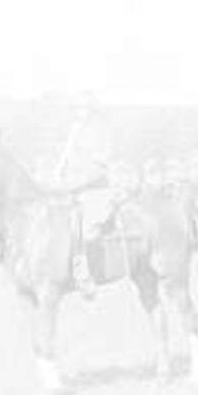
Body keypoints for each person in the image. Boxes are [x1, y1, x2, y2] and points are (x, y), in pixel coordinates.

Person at [53, 103, 118, 299]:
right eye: (78, 109)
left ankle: (87, 277)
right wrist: (59, 175)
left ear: (93, 112)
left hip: (96, 192)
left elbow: (99, 171)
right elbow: (63, 164)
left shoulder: (101, 134)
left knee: (87, 231)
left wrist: (75, 184)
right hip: (72, 191)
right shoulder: (74, 133)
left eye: (85, 109)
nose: (80, 114)